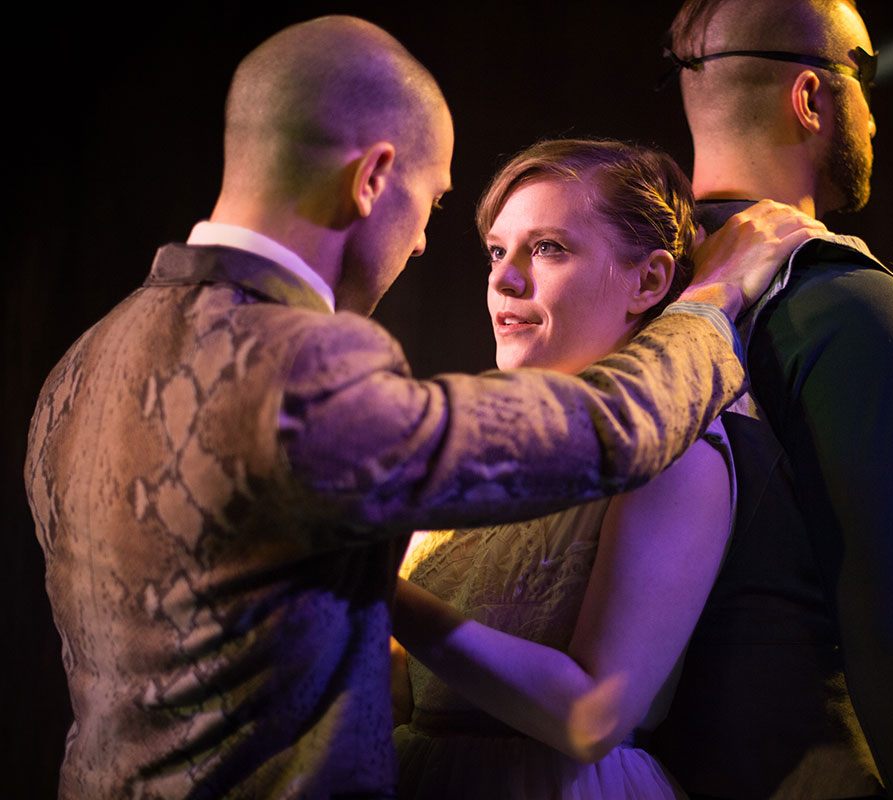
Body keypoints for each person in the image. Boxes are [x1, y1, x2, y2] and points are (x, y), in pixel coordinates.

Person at [22, 16, 821, 799]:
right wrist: (712, 300)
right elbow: (602, 431)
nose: (422, 246)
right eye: (432, 204)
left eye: (546, 247)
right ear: (371, 178)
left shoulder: (81, 363)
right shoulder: (309, 364)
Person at [648, 1, 893, 798]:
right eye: (864, 73)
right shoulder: (850, 307)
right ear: (810, 98)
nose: (875, 111)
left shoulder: (620, 297)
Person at [390, 139, 734, 799]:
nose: (504, 279)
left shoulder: (679, 451)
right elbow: (409, 689)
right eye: (497, 250)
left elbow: (591, 716)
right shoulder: (483, 434)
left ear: (649, 281)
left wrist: (379, 587)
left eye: (548, 247)